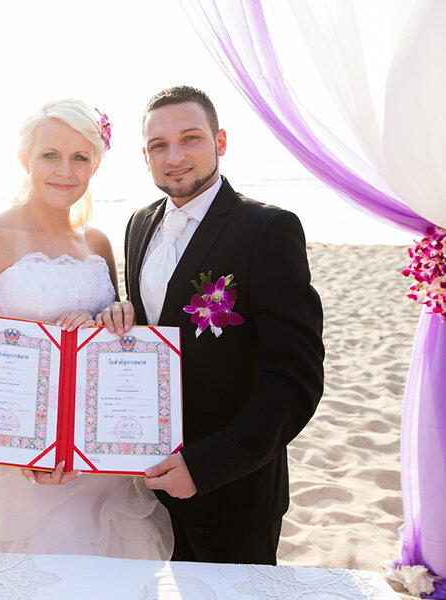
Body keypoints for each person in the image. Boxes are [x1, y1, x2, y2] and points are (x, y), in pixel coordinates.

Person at [0, 99, 173, 559]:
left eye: (80, 158)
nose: (65, 171)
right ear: (25, 159)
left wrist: (113, 320)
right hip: (13, 474)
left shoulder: (97, 242)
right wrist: (27, 458)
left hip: (98, 474)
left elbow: (108, 349)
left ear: (95, 165)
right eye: (50, 155)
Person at [96, 85, 324, 565]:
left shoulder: (267, 229)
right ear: (145, 155)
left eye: (191, 138)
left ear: (220, 142)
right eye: (159, 145)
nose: (174, 156)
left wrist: (205, 466)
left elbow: (295, 379)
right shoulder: (139, 224)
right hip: (145, 484)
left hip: (232, 492)